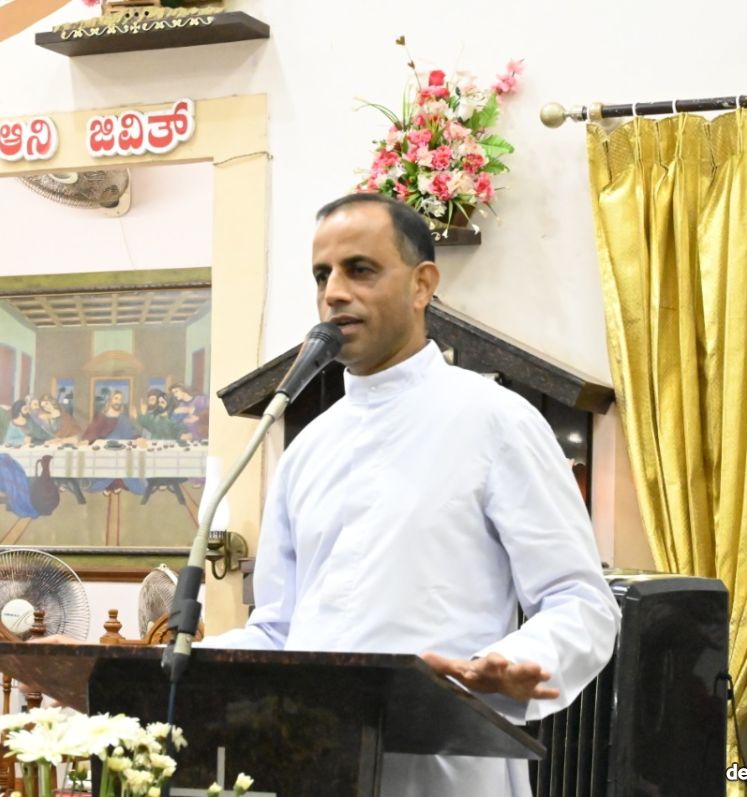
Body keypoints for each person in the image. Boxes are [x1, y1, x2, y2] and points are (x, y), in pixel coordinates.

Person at [202, 193, 620, 797]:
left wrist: (517, 660)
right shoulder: (307, 448)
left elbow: (580, 600)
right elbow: (278, 631)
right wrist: (174, 660)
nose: (333, 293)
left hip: (445, 770)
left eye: (360, 270)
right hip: (315, 764)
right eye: (321, 275)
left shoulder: (495, 420)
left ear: (422, 285)